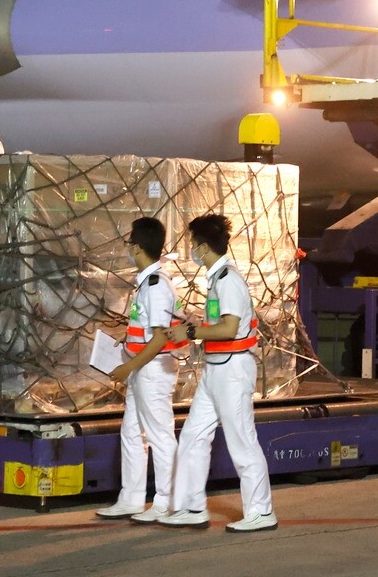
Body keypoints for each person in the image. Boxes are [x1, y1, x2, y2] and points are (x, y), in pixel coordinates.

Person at [158, 213, 277, 533]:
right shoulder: (217, 279)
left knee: (242, 442)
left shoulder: (228, 280)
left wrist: (192, 332)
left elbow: (230, 328)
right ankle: (191, 506)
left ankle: (261, 511)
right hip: (216, 370)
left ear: (204, 246)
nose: (191, 250)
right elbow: (218, 325)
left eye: (193, 245)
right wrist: (192, 327)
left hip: (233, 370)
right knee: (194, 436)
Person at [96, 216, 185, 523]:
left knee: (160, 435)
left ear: (136, 247)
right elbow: (147, 331)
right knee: (132, 433)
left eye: (128, 242)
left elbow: (161, 337)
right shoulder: (147, 283)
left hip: (152, 370)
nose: (127, 248)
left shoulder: (157, 285)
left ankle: (166, 502)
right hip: (141, 368)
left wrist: (128, 366)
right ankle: (131, 499)